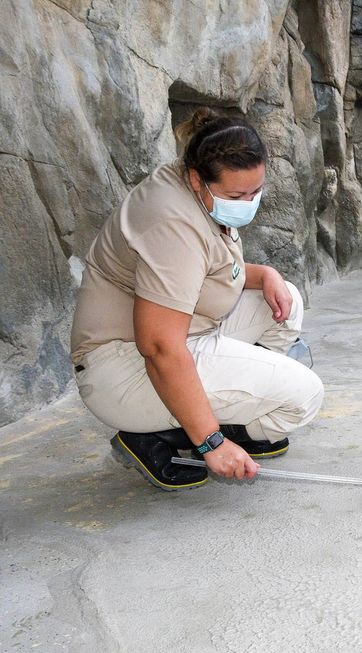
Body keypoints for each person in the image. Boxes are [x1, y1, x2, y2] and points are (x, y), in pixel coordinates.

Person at [69, 108, 324, 491]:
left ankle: (220, 417)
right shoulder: (171, 222)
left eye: (256, 191)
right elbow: (158, 347)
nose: (249, 202)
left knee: (285, 301)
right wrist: (211, 441)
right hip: (122, 370)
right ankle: (164, 433)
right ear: (197, 179)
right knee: (303, 397)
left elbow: (206, 274)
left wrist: (266, 275)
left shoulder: (195, 189)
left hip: (180, 334)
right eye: (237, 195)